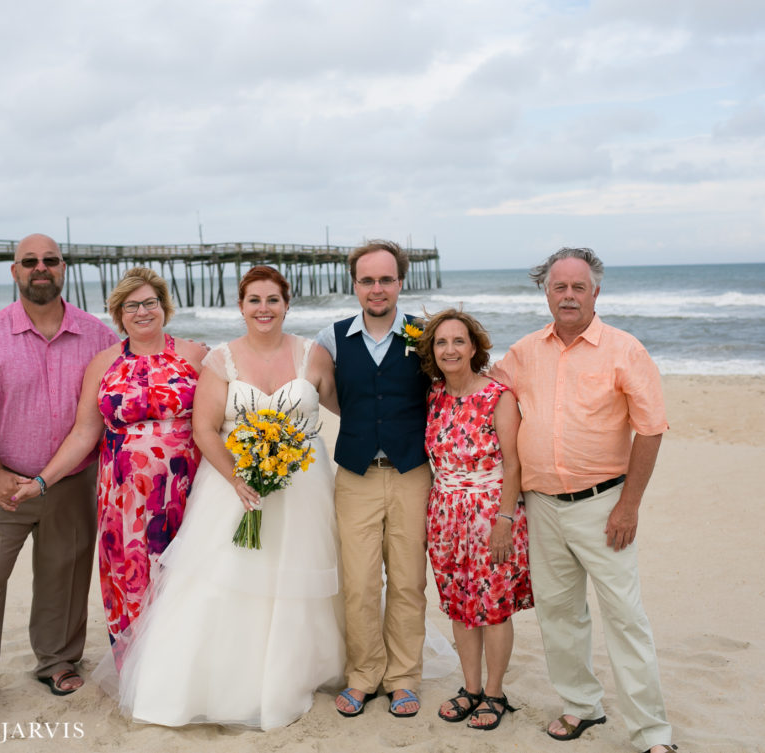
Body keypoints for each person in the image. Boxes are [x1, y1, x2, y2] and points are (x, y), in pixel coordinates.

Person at [106, 265, 344, 730]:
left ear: (287, 304)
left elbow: (342, 406)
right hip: (233, 486)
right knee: (224, 578)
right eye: (254, 300)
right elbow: (204, 428)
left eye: (272, 300)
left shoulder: (313, 356)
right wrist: (239, 480)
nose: (263, 309)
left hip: (304, 487)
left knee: (297, 575)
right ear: (240, 306)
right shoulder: (220, 360)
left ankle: (300, 668)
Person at [490, 248, 676, 753]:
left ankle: (651, 733)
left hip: (604, 505)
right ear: (545, 293)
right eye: (558, 287)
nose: (568, 295)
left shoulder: (624, 349)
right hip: (542, 506)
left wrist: (629, 505)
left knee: (625, 617)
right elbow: (483, 389)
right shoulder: (524, 351)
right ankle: (581, 706)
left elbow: (651, 430)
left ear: (596, 292)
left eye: (578, 287)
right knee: (559, 614)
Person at [0, 233, 119, 723]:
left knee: (65, 575)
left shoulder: (98, 336)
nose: (40, 268)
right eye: (30, 261)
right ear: (14, 271)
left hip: (72, 482)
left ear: (64, 268)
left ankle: (57, 661)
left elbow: (121, 396)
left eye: (50, 260)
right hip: (0, 484)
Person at [11, 267, 209, 652]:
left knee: (186, 576)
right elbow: (85, 433)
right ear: (119, 315)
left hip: (185, 491)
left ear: (164, 306)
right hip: (124, 499)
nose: (142, 312)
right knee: (131, 577)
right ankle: (139, 666)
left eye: (150, 302)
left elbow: (222, 418)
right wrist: (41, 481)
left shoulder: (195, 355)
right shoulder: (103, 365)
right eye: (131, 306)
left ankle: (186, 663)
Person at [315, 240, 433, 719]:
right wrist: (367, 424)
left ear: (400, 282)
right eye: (368, 280)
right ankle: (364, 675)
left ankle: (403, 677)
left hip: (412, 473)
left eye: (386, 279)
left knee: (407, 581)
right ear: (355, 284)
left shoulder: (425, 335)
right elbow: (325, 395)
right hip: (356, 475)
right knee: (360, 583)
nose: (377, 288)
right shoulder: (331, 337)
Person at [417, 309, 533, 731]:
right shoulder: (433, 395)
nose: (450, 349)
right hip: (445, 513)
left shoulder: (498, 396)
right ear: (433, 351)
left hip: (490, 513)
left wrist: (504, 519)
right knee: (461, 607)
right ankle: (470, 688)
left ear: (473, 347)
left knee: (494, 606)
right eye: (442, 342)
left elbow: (514, 464)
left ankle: (496, 693)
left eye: (458, 341)